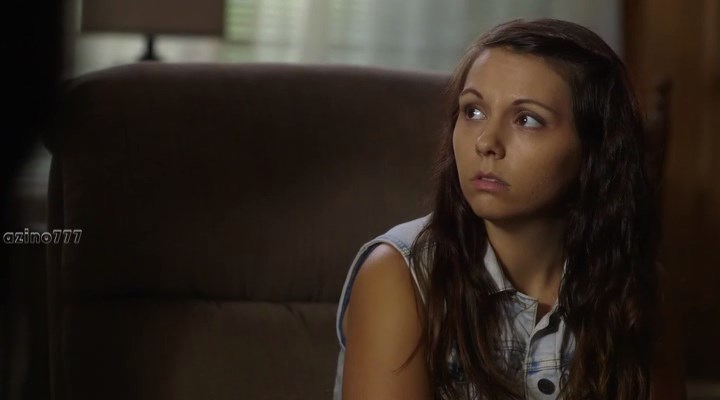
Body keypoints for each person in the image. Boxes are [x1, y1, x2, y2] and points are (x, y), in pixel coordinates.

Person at [333, 18, 686, 400]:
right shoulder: (399, 275)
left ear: (595, 150)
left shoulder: (636, 286)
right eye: (473, 111)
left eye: (527, 119)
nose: (486, 142)